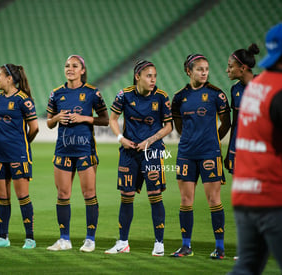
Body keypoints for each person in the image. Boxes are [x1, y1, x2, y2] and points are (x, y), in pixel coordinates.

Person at [229, 23, 282, 275]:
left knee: (246, 267)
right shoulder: (278, 90)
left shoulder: (254, 89)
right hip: (272, 197)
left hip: (245, 193)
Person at [105, 61, 173, 255]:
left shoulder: (161, 97)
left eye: (154, 76)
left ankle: (159, 243)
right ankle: (123, 243)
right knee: (126, 197)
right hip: (129, 151)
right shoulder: (124, 94)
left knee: (155, 196)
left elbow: (169, 126)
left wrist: (150, 141)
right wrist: (121, 138)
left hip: (151, 151)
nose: (153, 80)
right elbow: (112, 119)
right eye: (149, 76)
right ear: (138, 76)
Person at [46, 55, 109, 252]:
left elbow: (105, 120)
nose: (70, 69)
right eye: (67, 65)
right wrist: (57, 116)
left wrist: (83, 118)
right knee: (63, 194)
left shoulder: (92, 93)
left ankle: (90, 239)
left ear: (82, 70)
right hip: (63, 150)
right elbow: (49, 123)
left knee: (89, 194)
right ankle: (64, 239)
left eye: (74, 66)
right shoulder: (56, 93)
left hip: (85, 150)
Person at [171, 54, 231, 258]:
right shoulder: (179, 97)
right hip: (186, 153)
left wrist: (213, 141)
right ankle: (186, 246)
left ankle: (220, 248)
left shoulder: (217, 95)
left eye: (206, 69)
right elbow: (178, 124)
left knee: (214, 200)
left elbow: (226, 123)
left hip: (209, 154)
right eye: (199, 69)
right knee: (186, 200)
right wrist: (189, 138)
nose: (204, 72)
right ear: (189, 71)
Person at [0, 64, 38, 249]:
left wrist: (22, 144)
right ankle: (3, 238)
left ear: (9, 78)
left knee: (22, 196)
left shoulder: (24, 100)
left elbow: (34, 129)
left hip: (18, 154)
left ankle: (30, 238)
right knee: (3, 197)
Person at [224, 44, 260, 174]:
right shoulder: (235, 90)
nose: (227, 70)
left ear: (243, 68)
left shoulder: (264, 85)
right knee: (241, 191)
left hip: (259, 149)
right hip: (238, 148)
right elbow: (235, 123)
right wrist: (229, 151)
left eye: (230, 66)